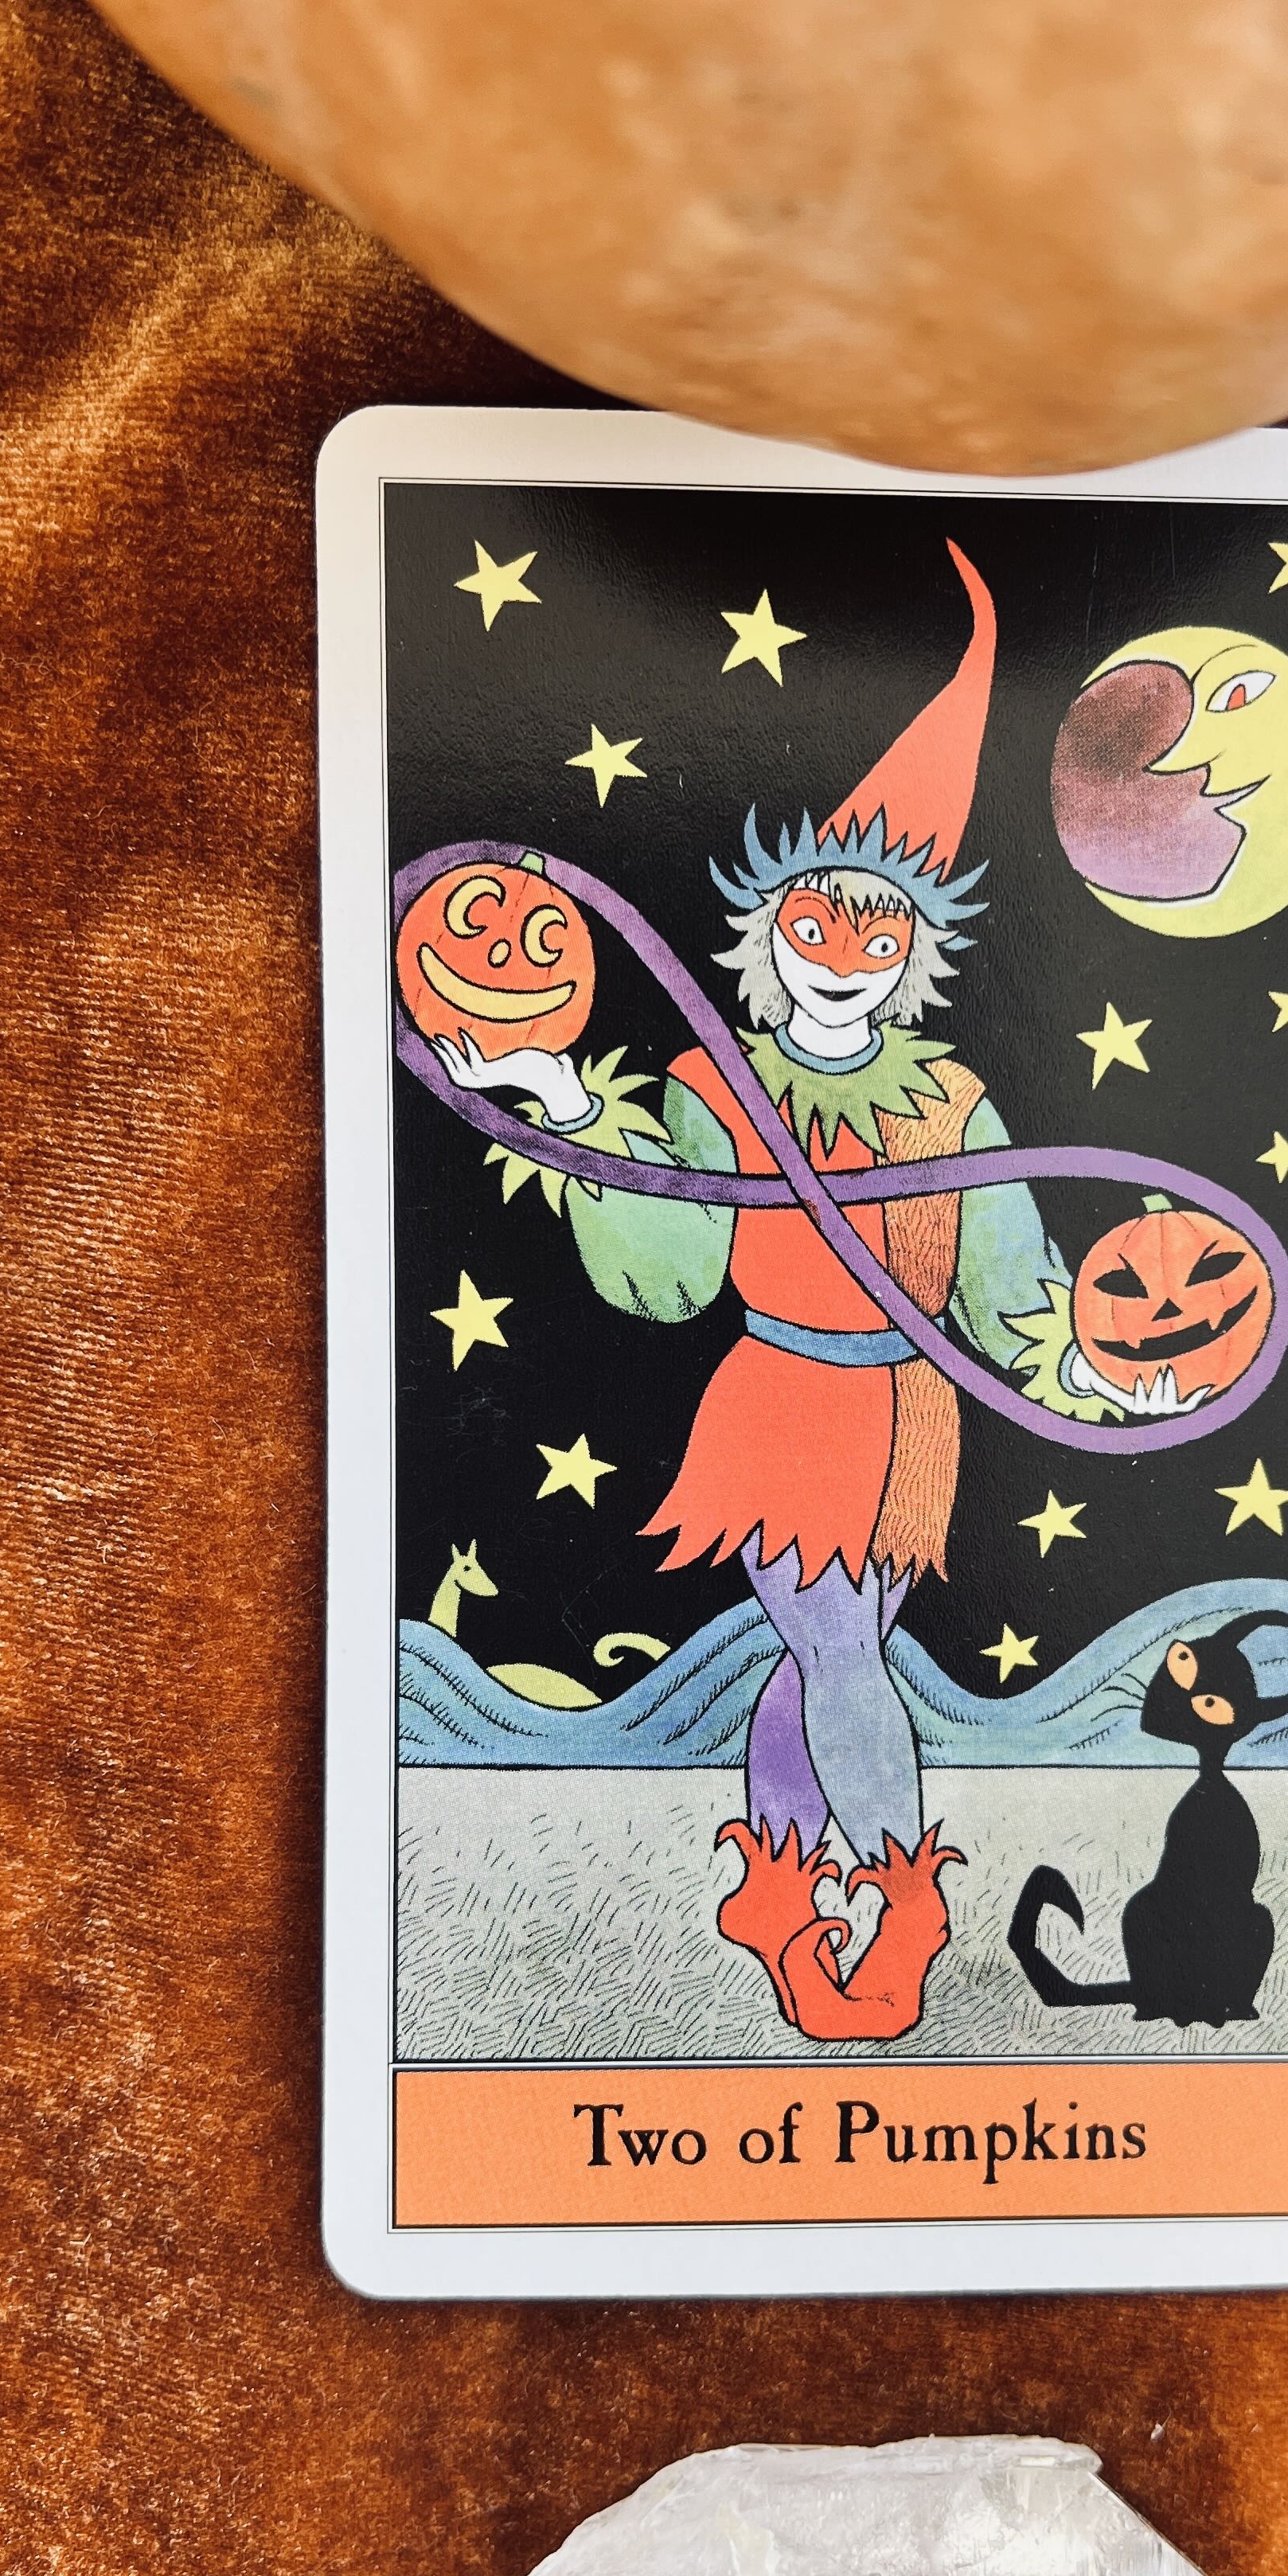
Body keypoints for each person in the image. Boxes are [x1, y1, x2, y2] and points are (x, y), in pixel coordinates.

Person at [436, 544, 1116, 2039]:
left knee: (827, 1660)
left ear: (918, 954)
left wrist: (1089, 1358)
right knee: (835, 1650)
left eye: (880, 931)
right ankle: (877, 1910)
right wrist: (566, 1098)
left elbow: (1011, 1287)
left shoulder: (955, 1101)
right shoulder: (713, 1084)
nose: (843, 957)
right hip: (780, 1400)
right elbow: (670, 1278)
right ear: (766, 934)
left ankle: (816, 1906)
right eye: (817, 923)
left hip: (912, 1416)